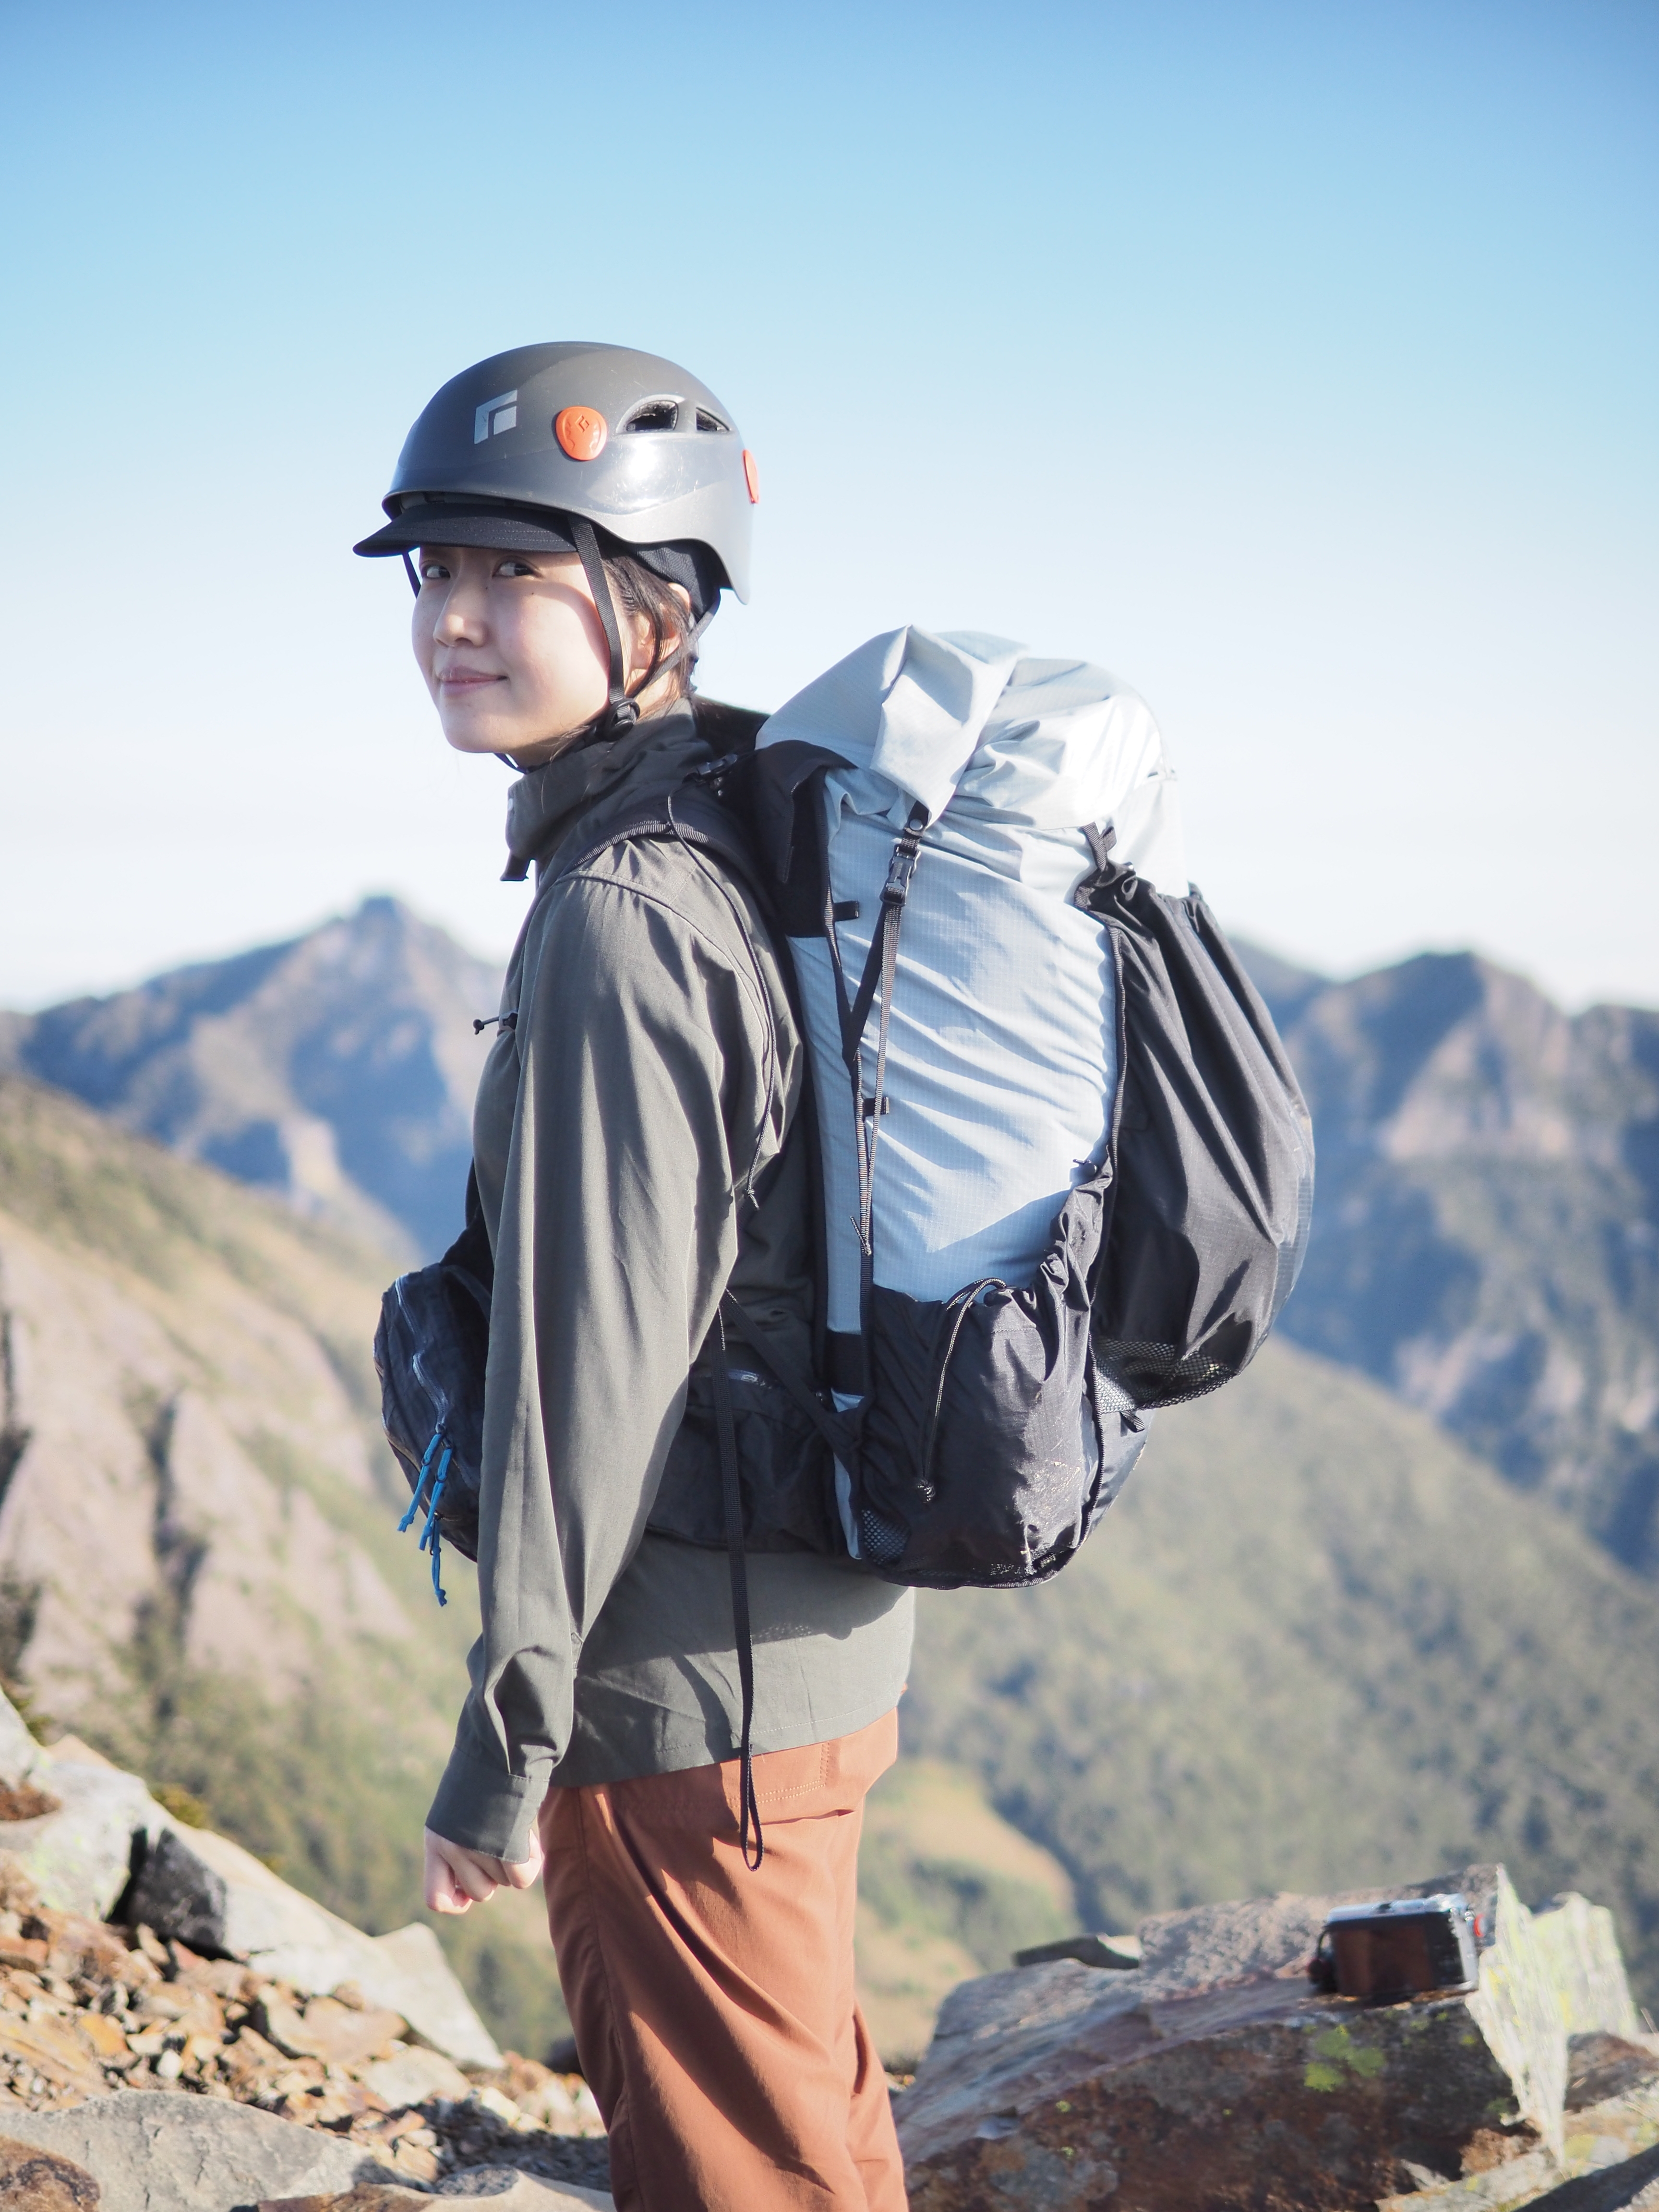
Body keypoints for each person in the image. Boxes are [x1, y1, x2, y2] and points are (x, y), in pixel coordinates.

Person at [354, 343, 914, 2212]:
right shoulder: (731, 828)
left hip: (682, 1702)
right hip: (801, 1656)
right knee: (815, 2148)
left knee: (737, 2184)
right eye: (433, 573)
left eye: (512, 571)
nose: (452, 618)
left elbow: (586, 1393)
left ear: (653, 600)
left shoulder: (617, 912)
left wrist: (500, 1758)